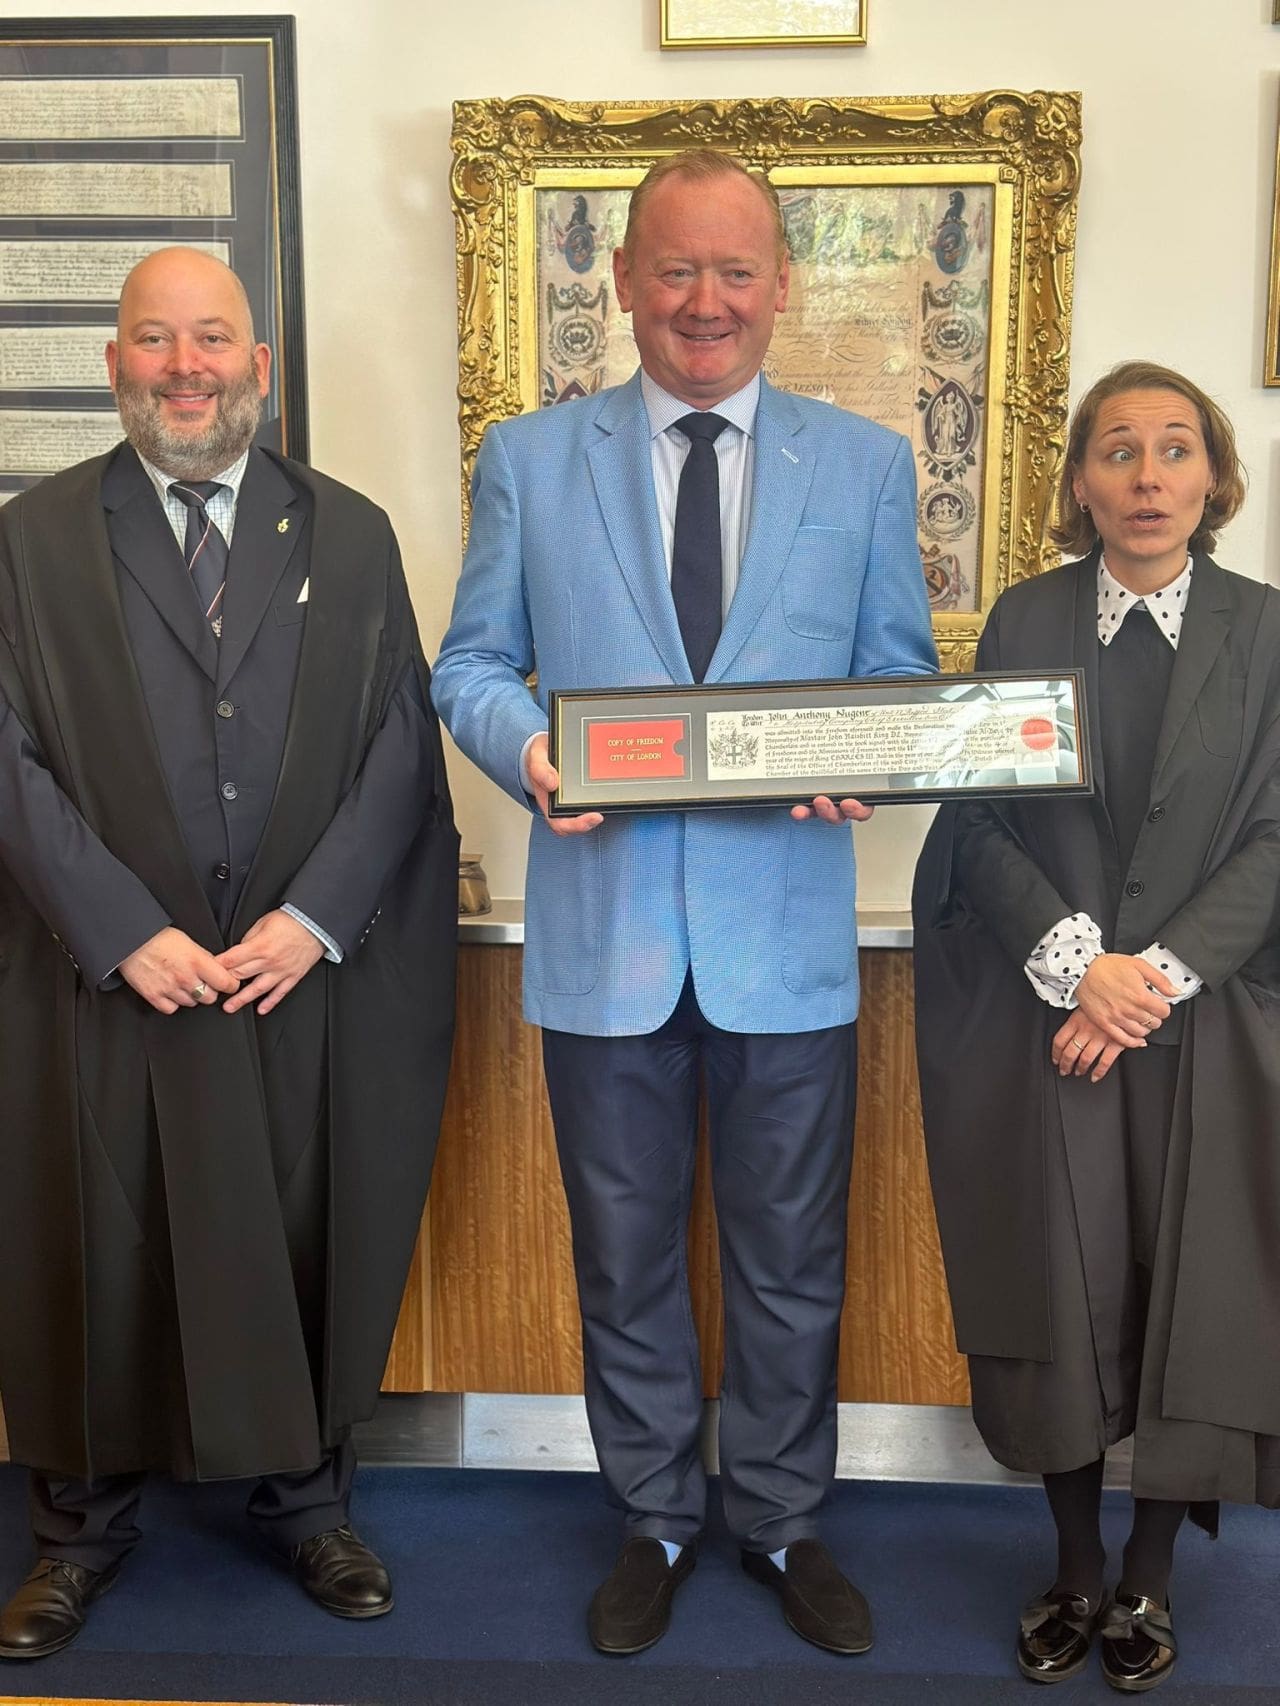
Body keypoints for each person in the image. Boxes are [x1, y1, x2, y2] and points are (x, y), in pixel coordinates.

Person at [432, 149, 936, 1657]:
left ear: (782, 286)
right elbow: (470, 665)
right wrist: (527, 749)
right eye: (674, 269)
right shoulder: (531, 457)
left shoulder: (861, 465)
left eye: (735, 272)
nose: (704, 303)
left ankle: (779, 1518)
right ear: (622, 282)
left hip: (786, 948)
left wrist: (872, 757)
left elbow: (902, 677)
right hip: (607, 948)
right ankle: (652, 1512)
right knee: (625, 1250)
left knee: (793, 1259)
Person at [0, 248, 458, 1659]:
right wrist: (121, 926)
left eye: (213, 340)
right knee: (95, 1233)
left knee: (304, 1217)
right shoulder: (34, 540)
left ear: (262, 364)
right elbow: (4, 754)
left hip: (286, 976)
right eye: (155, 339)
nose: (185, 366)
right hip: (108, 981)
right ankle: (77, 1527)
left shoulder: (351, 533)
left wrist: (310, 918)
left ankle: (307, 1498)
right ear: (113, 365)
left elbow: (400, 742)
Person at [913, 361, 1280, 1692]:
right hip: (1048, 1026)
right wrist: (1080, 969)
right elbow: (980, 818)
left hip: (1205, 1033)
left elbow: (1277, 837)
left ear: (1213, 478)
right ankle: (1072, 1563)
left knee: (1196, 1302)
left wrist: (1152, 978)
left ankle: (1153, 1576)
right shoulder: (1023, 618)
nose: (1145, 475)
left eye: (1174, 449)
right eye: (1117, 450)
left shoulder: (1269, 630)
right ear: (1079, 480)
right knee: (1058, 1296)